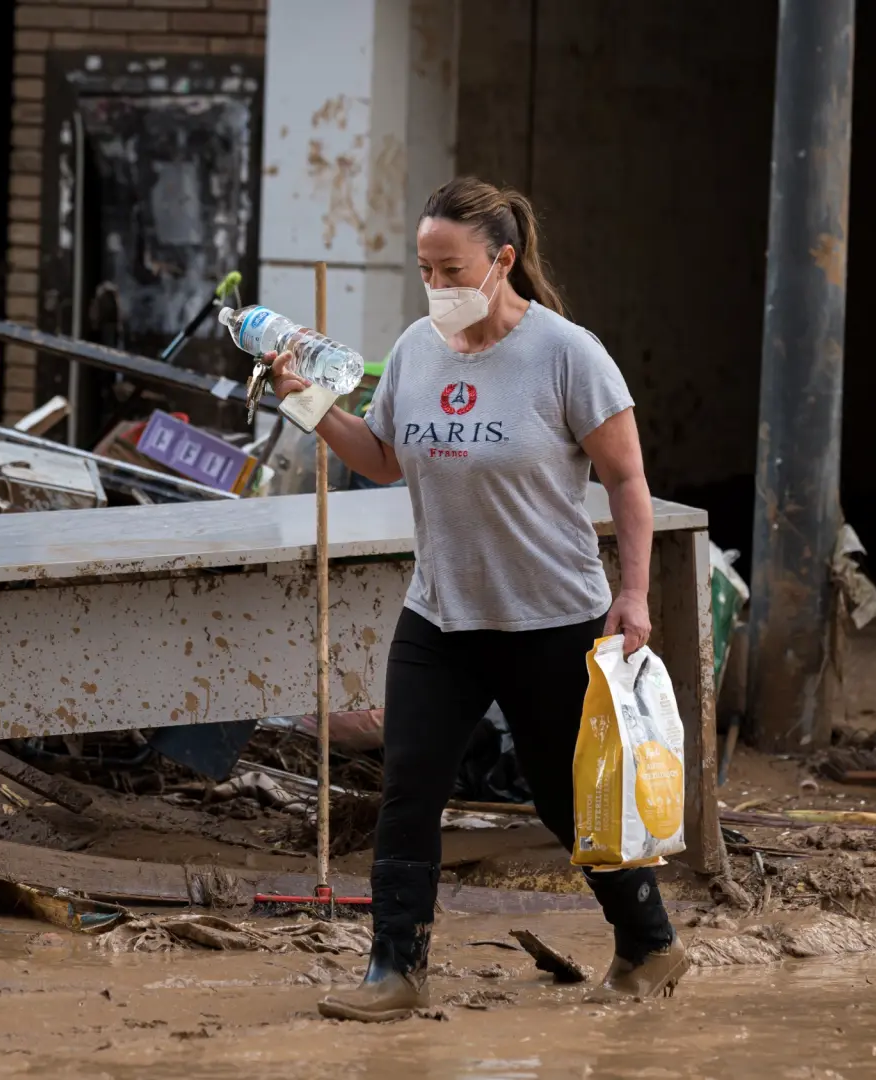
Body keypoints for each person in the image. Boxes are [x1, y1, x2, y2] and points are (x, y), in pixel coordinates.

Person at [264, 177, 685, 1023]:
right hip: (441, 615)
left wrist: (633, 594)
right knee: (410, 784)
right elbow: (382, 457)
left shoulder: (567, 353)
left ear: (503, 260)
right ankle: (395, 970)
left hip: (551, 618)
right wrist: (304, 401)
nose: (437, 286)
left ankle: (648, 942)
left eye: (451, 268)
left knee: (569, 802)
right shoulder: (418, 347)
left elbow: (629, 480)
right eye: (425, 269)